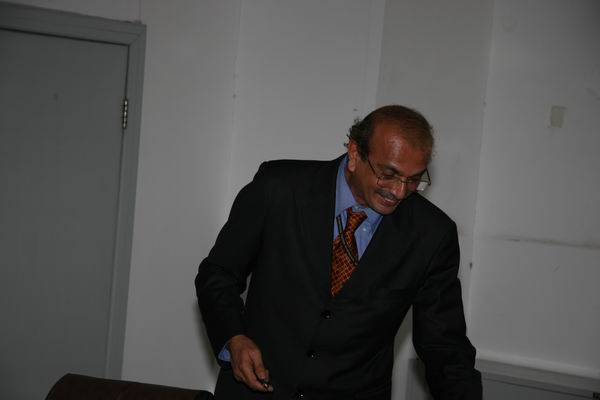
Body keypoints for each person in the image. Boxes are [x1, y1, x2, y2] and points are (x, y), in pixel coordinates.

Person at [195, 105, 482, 400]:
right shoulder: (278, 188)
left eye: (413, 180)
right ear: (355, 154)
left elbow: (445, 346)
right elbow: (218, 275)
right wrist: (233, 338)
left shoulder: (432, 234)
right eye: (388, 174)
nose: (398, 191)